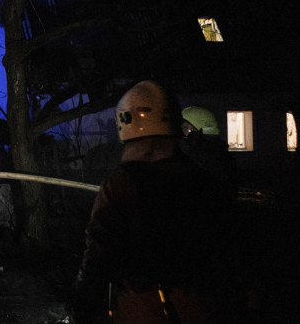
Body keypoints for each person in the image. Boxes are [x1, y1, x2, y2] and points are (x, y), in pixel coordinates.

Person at [71, 81, 232, 323]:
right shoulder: (203, 180)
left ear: (124, 123)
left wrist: (82, 305)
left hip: (145, 307)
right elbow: (229, 247)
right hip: (204, 304)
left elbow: (99, 254)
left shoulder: (120, 186)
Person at [180, 106, 238, 198]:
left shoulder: (201, 157)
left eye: (184, 128)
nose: (181, 134)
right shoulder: (220, 154)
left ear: (192, 130)